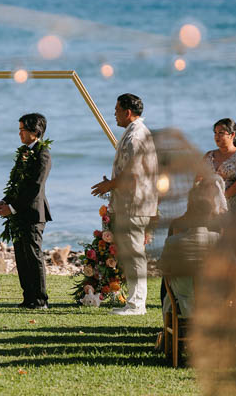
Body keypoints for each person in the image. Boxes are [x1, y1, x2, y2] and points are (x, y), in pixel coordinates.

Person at [91, 93, 159, 315]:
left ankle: (136, 303)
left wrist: (109, 185)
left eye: (117, 110)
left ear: (127, 112)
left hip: (134, 204)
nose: (114, 114)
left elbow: (133, 174)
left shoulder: (135, 137)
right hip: (133, 202)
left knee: (134, 254)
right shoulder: (135, 133)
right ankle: (134, 301)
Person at [0, 113, 53, 310]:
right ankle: (28, 297)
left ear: (35, 132)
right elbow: (17, 185)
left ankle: (40, 299)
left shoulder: (43, 154)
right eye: (19, 129)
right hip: (18, 213)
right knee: (21, 255)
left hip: (33, 213)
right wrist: (5, 201)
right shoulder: (23, 152)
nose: (19, 133)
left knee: (33, 255)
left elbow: (35, 187)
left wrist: (11, 208)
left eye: (23, 130)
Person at [160, 176, 224, 316]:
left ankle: (174, 323)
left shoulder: (176, 228)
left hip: (184, 297)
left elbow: (165, 268)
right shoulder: (218, 235)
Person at [201, 118, 236, 211]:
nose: (216, 136)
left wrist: (221, 199)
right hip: (209, 205)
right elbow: (198, 178)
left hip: (231, 204)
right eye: (215, 133)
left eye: (221, 133)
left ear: (232, 135)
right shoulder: (208, 155)